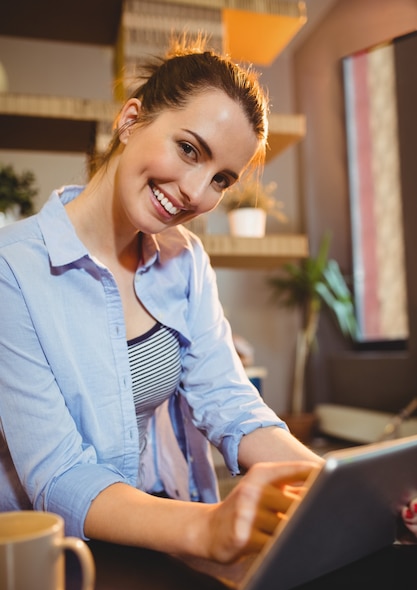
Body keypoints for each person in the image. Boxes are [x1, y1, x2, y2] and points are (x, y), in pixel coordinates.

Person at [0, 35, 415, 563]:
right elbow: (58, 474)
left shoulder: (185, 259)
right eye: (189, 149)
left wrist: (347, 495)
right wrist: (205, 528)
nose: (196, 193)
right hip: (50, 565)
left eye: (221, 178)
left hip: (152, 538)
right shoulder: (12, 268)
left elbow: (231, 404)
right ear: (130, 120)